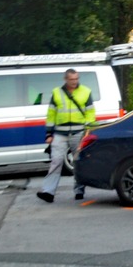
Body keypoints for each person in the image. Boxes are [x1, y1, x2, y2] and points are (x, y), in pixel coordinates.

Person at [37, 68, 96, 203]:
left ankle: (79, 190)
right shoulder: (56, 93)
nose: (74, 82)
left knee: (78, 162)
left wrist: (88, 130)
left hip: (79, 132)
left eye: (76, 79)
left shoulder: (85, 92)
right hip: (60, 132)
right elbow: (51, 114)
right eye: (72, 79)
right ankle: (48, 192)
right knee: (56, 161)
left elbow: (90, 113)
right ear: (65, 79)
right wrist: (49, 133)